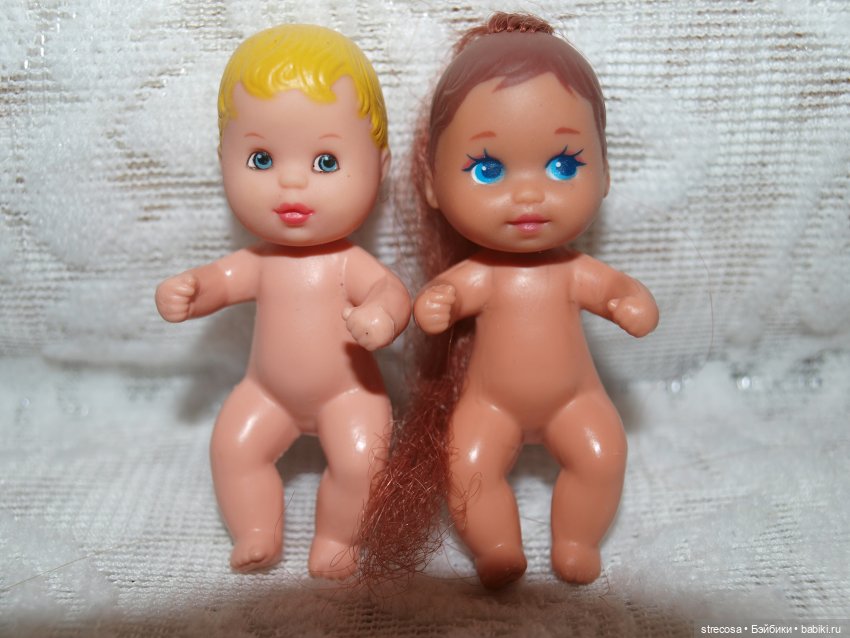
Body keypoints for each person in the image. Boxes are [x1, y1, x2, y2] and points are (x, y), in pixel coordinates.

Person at [359, 12, 658, 589]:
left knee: (602, 454)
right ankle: (496, 547)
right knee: (467, 465)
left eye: (563, 165)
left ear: (605, 173)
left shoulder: (572, 272)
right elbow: (445, 294)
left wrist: (630, 302)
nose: (528, 195)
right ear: (432, 184)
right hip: (490, 405)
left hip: (575, 399)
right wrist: (438, 301)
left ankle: (576, 540)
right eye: (488, 169)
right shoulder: (483, 275)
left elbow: (616, 290)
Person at [155, 24, 410, 579]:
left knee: (362, 461)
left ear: (381, 166)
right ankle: (256, 530)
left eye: (326, 162)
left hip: (350, 393)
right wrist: (192, 290)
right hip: (266, 392)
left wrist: (381, 314)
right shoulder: (260, 261)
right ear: (223, 157)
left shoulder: (348, 263)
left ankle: (337, 537)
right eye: (261, 159)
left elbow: (391, 292)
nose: (291, 184)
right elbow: (222, 280)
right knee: (233, 449)